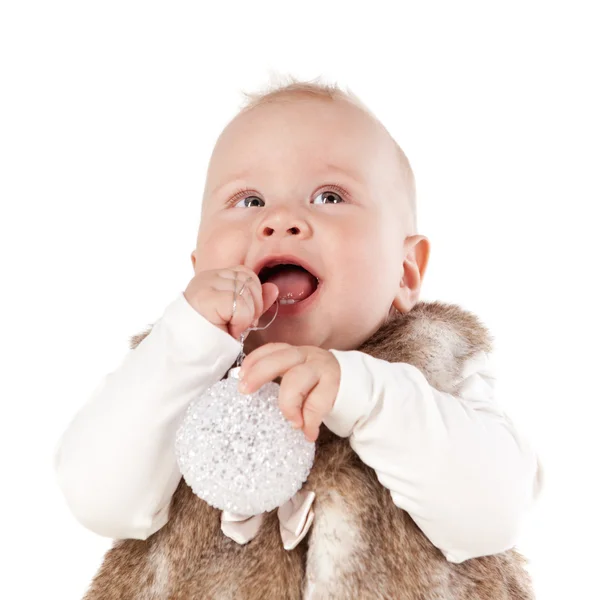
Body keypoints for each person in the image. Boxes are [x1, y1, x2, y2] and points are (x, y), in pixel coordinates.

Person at [54, 80, 544, 595]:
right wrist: (185, 341)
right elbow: (98, 497)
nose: (279, 220)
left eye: (329, 196)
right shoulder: (171, 374)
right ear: (198, 268)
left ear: (405, 271)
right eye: (248, 200)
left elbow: (493, 512)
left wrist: (366, 396)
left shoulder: (433, 373)